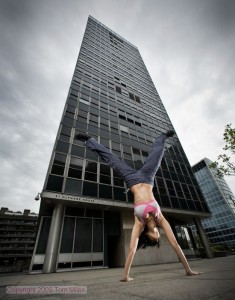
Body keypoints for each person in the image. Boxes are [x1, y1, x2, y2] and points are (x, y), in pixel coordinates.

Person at [75, 131, 201, 282]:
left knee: (112, 160)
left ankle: (89, 139)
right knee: (158, 155)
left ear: (148, 236)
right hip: (148, 178)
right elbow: (175, 244)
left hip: (131, 179)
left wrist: (125, 276)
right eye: (158, 238)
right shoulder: (161, 220)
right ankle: (163, 136)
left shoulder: (139, 223)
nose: (157, 237)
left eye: (154, 240)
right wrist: (188, 270)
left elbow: (132, 250)